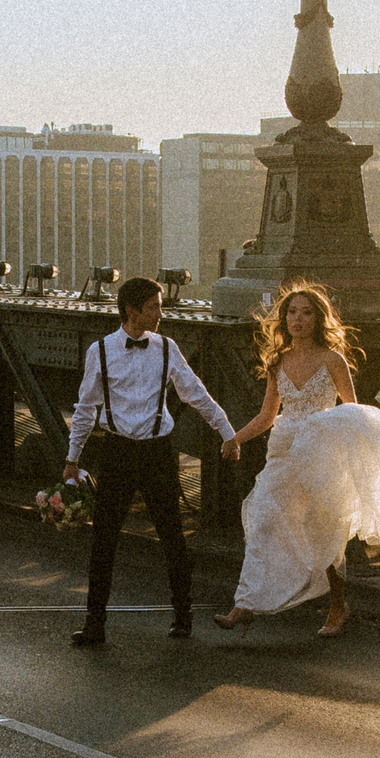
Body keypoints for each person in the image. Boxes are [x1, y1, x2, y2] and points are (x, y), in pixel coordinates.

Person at [216, 283, 380, 636]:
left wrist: (350, 450)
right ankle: (245, 604)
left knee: (324, 530)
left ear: (318, 319)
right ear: (284, 319)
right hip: (284, 451)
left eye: (307, 313)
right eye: (292, 312)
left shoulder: (332, 360)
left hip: (321, 452)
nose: (298, 319)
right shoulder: (278, 361)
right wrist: (235, 438)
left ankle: (337, 605)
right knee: (265, 519)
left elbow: (352, 410)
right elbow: (268, 415)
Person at [62, 276, 238, 646]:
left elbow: (196, 393)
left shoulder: (167, 347)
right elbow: (85, 408)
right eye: (154, 307)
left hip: (158, 451)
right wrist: (71, 459)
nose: (161, 313)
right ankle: (95, 625)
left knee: (172, 535)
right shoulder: (102, 350)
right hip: (118, 452)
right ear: (132, 311)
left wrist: (227, 432)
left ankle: (183, 616)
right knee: (104, 540)